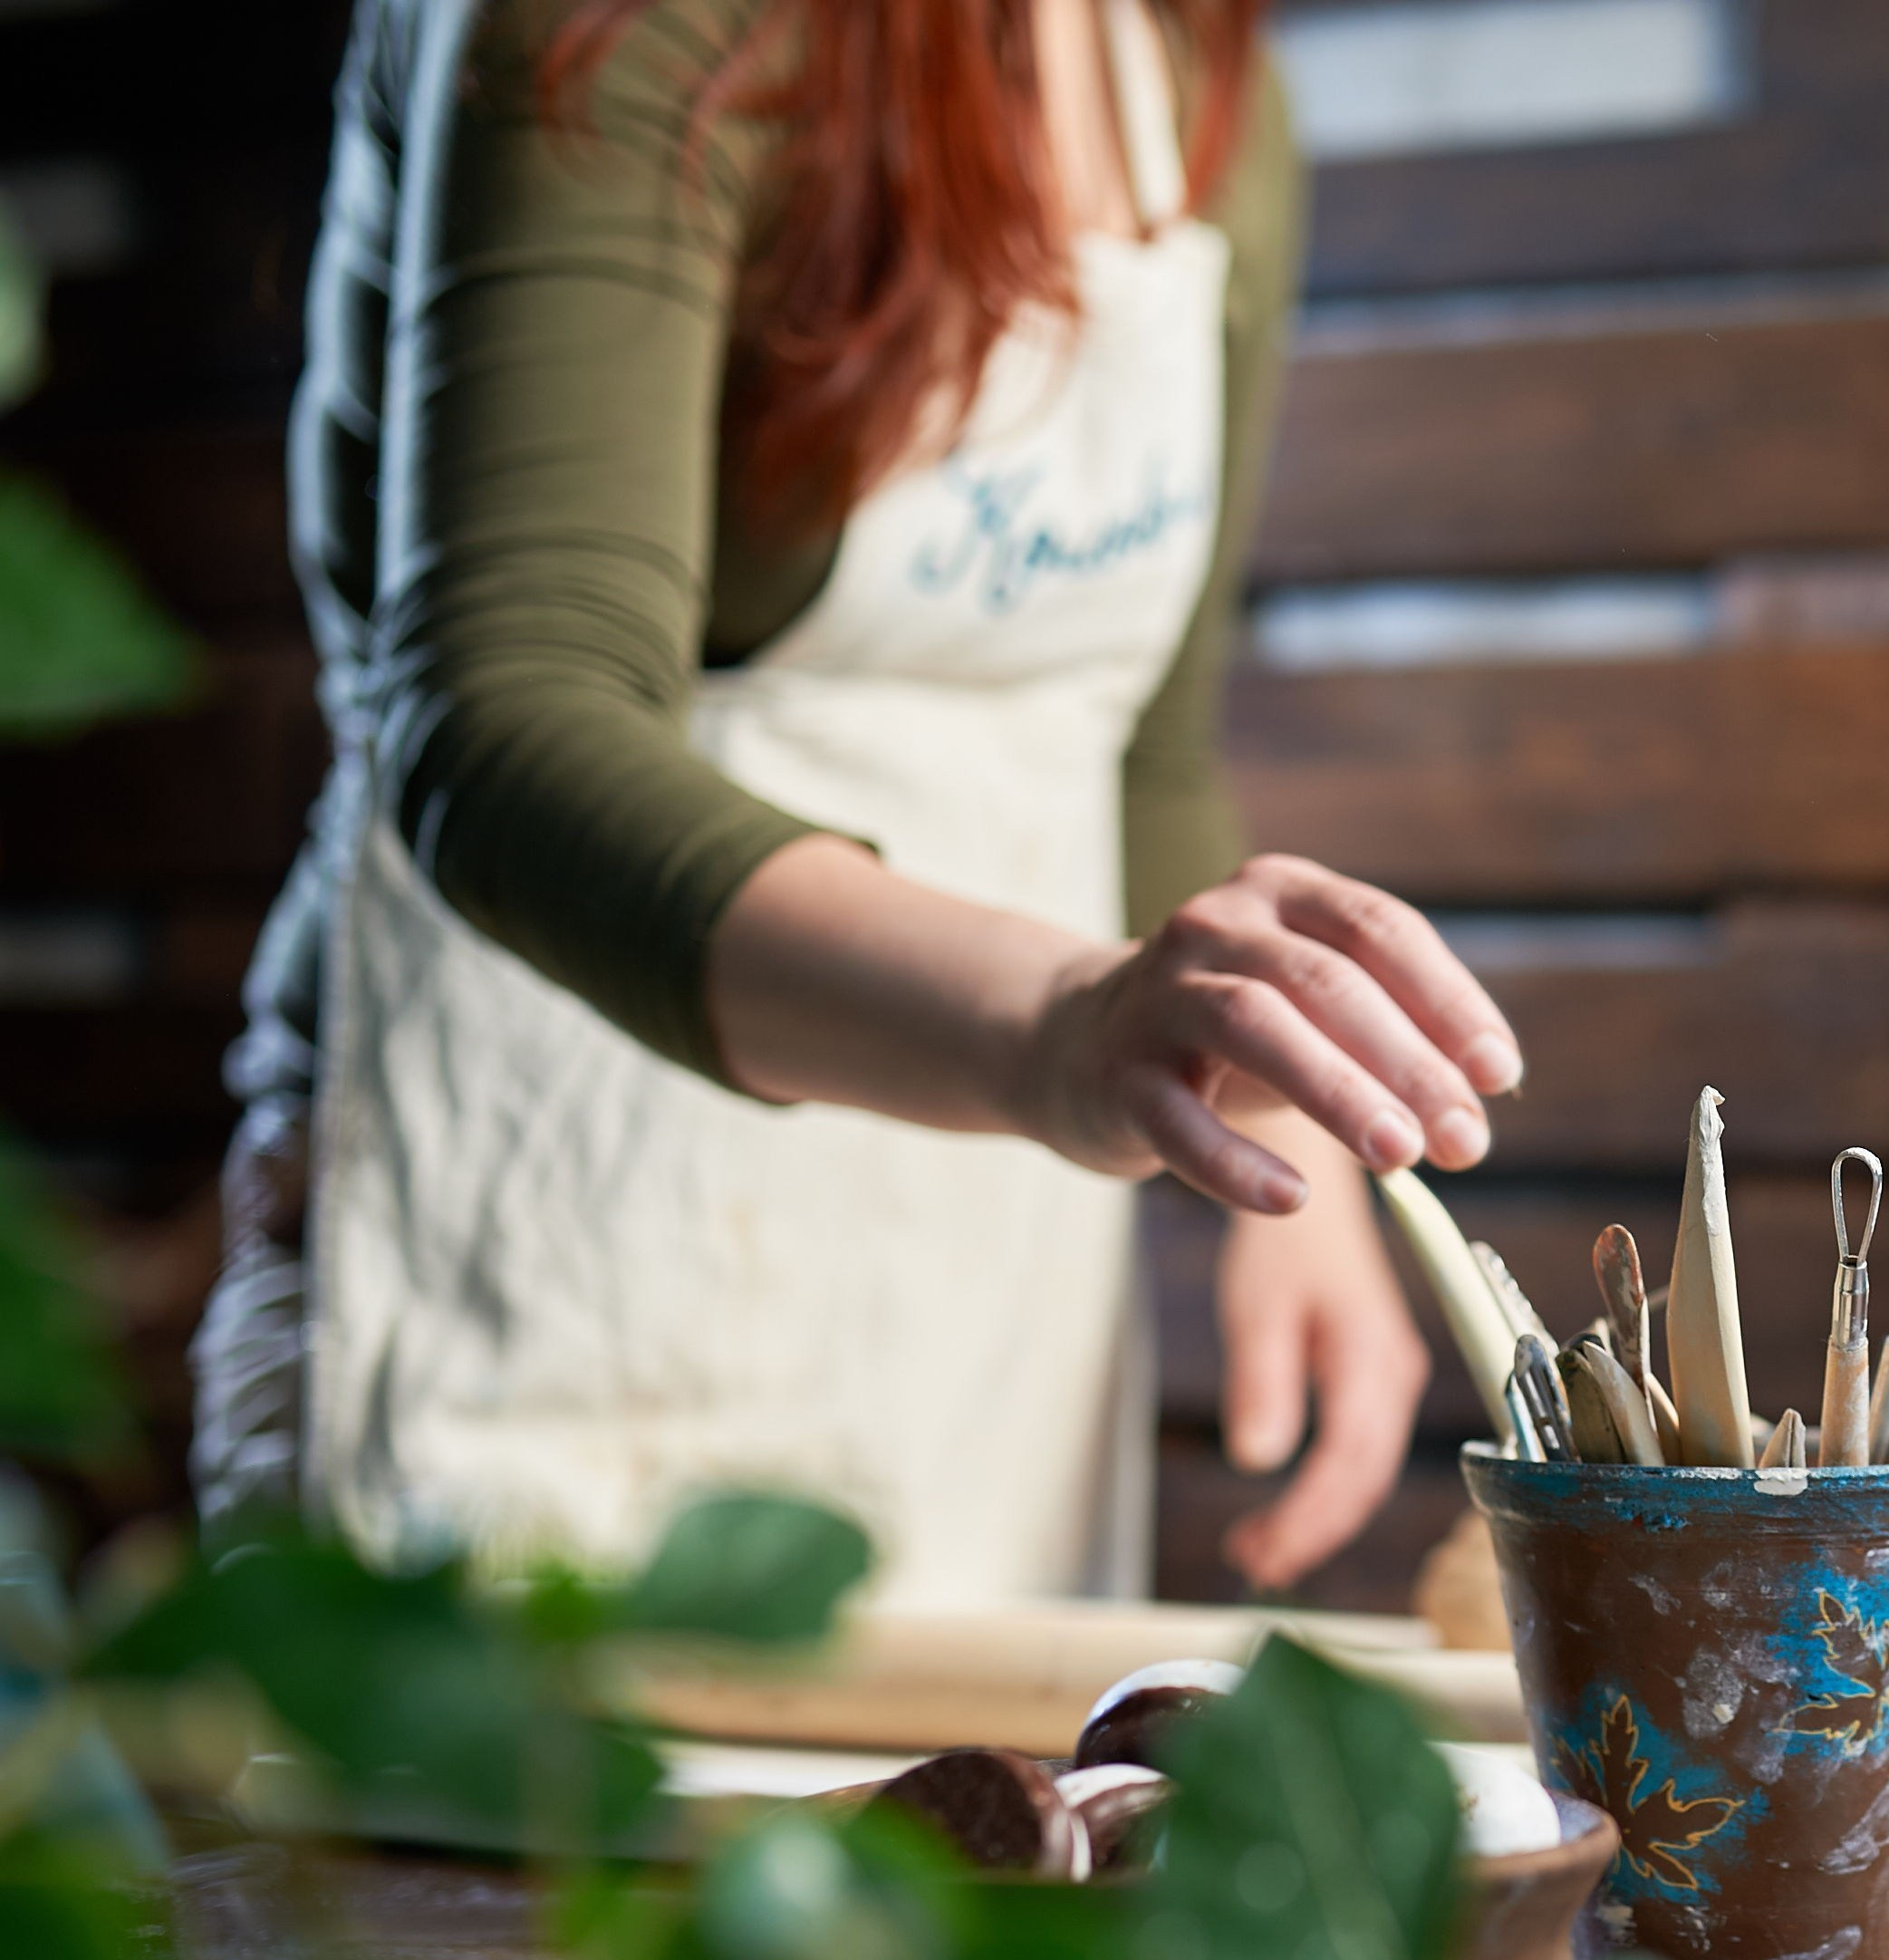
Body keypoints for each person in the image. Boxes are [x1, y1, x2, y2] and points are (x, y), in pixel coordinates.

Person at [192, 0, 1522, 1605]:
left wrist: (1290, 1169)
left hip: (970, 1333)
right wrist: (1058, 1023)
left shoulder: (1199, 85)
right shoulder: (626, 30)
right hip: (527, 1264)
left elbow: (1136, 735)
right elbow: (506, 728)